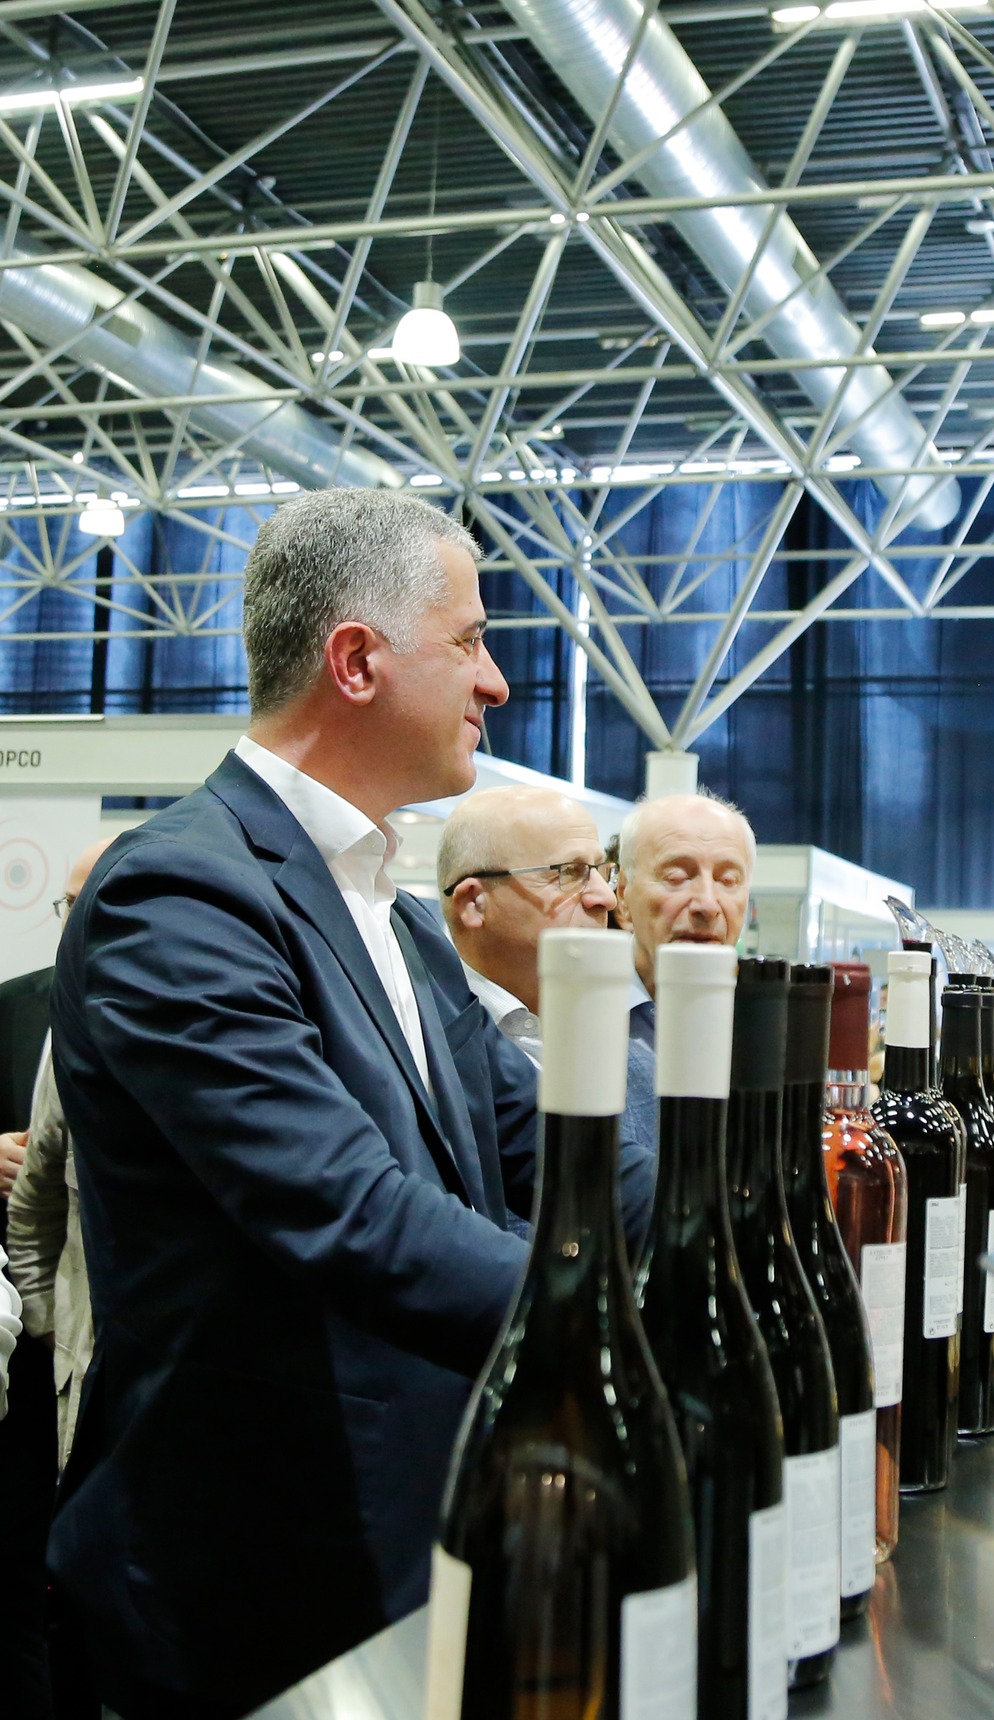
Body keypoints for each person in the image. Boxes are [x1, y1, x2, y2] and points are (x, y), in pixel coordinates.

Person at [46, 488, 653, 1720]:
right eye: (470, 640)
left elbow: (546, 1152)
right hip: (251, 1584)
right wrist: (615, 1328)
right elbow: (349, 1210)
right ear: (358, 661)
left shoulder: (400, 918)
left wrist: (710, 1216)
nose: (496, 681)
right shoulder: (179, 896)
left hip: (406, 1535)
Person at [10, 839, 115, 1471]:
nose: (79, 922)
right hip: (41, 1331)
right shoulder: (18, 1008)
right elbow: (35, 1200)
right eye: (70, 904)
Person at [437, 786, 621, 1064]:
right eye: (570, 872)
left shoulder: (617, 1030)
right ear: (474, 902)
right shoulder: (426, 1039)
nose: (607, 898)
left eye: (601, 871)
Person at [613, 791, 755, 1044]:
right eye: (676, 877)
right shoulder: (579, 1017)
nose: (707, 904)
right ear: (624, 895)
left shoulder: (765, 1026)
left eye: (727, 880)